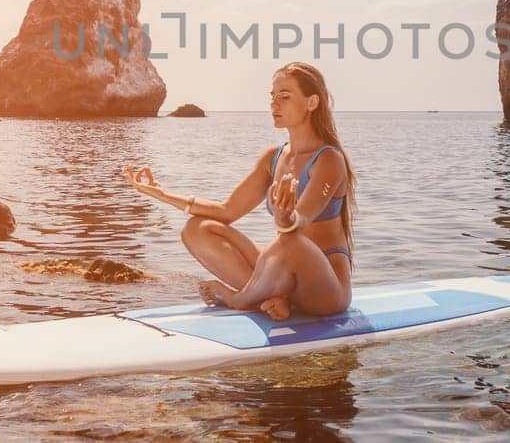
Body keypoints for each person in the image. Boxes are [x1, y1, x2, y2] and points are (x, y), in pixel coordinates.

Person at [123, 62, 357, 320]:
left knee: (290, 242)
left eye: (285, 97)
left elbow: (300, 222)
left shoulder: (330, 160)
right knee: (197, 229)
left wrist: (285, 218)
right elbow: (227, 211)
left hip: (325, 288)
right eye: (272, 96)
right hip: (281, 268)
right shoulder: (274, 157)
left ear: (312, 103)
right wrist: (161, 194)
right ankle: (271, 299)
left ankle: (241, 299)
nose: (274, 104)